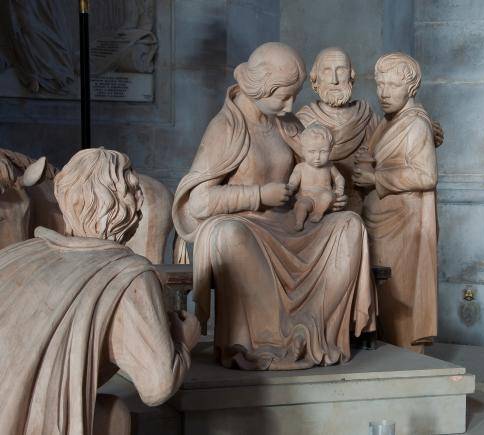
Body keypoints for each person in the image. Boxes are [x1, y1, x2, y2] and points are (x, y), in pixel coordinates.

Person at [172, 42, 376, 370]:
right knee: (229, 235)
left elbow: (312, 170)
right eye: (283, 96)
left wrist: (327, 192)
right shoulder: (226, 127)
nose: (290, 105)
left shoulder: (286, 123)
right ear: (259, 87)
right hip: (248, 227)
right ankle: (272, 337)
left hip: (289, 225)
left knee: (349, 226)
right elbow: (198, 201)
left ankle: (310, 328)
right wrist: (258, 195)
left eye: (293, 95)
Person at [0, 148, 200, 435]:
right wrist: (183, 340)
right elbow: (157, 386)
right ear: (135, 204)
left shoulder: (15, 256)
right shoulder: (129, 274)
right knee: (115, 414)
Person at [353, 52, 438, 353]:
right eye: (379, 85)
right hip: (382, 218)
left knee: (400, 291)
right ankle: (392, 351)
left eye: (391, 85)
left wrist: (376, 179)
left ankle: (408, 356)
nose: (383, 93)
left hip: (403, 220)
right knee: (385, 291)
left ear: (411, 87)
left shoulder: (415, 124)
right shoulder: (390, 121)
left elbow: (426, 175)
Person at [295, 47, 380, 214]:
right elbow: (291, 177)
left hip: (362, 203)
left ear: (351, 76)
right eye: (327, 71)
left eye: (340, 70)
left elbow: (394, 144)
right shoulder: (302, 120)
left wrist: (426, 130)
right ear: (315, 79)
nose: (334, 80)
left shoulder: (366, 116)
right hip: (315, 203)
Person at [288, 124, 345, 230]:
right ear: (303, 151)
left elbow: (339, 178)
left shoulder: (329, 166)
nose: (317, 157)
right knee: (301, 205)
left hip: (323, 200)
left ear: (330, 150)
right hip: (306, 197)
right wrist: (290, 188)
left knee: (328, 196)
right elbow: (293, 182)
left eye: (323, 152)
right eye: (312, 152)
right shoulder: (300, 167)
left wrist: (339, 190)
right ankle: (299, 222)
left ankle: (318, 213)